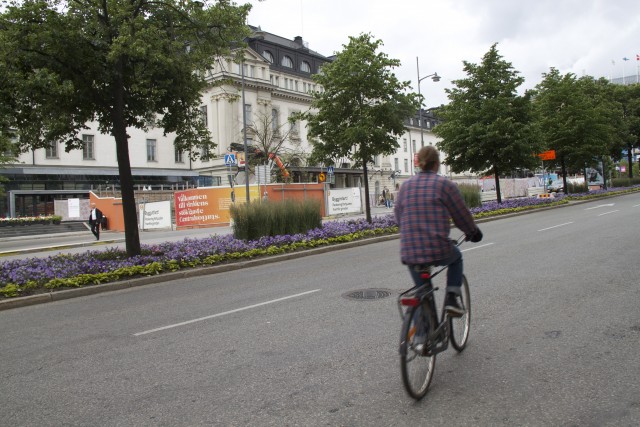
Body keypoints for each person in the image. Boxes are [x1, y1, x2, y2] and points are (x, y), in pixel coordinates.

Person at [394, 146, 483, 317]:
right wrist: (473, 231)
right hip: (437, 248)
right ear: (437, 164)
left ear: (419, 164)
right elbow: (461, 215)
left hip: (409, 250)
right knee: (456, 258)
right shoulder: (445, 185)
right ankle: (451, 298)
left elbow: (398, 216)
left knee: (422, 292)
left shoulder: (405, 186)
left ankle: (420, 338)